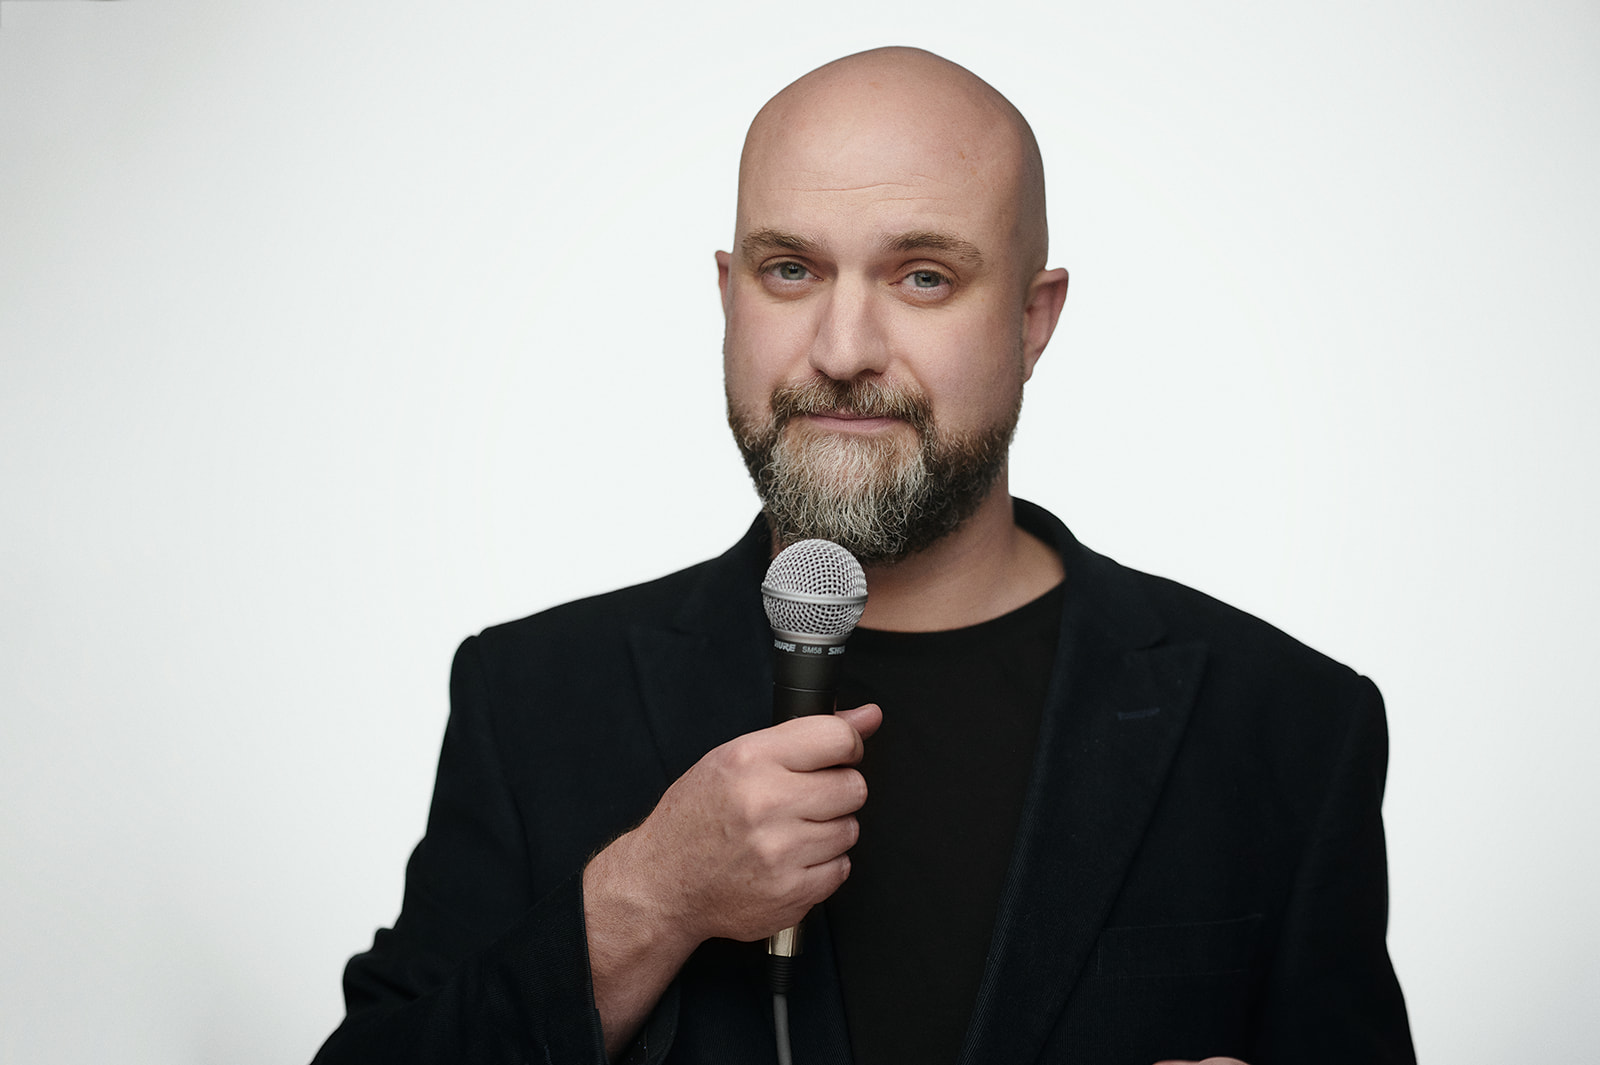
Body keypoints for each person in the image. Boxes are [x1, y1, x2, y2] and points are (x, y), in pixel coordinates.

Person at [312, 47, 1414, 1065]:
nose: (842, 352)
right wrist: (649, 896)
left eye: (923, 276)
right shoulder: (533, 698)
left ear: (1033, 320)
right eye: (790, 270)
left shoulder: (1284, 723)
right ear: (728, 296)